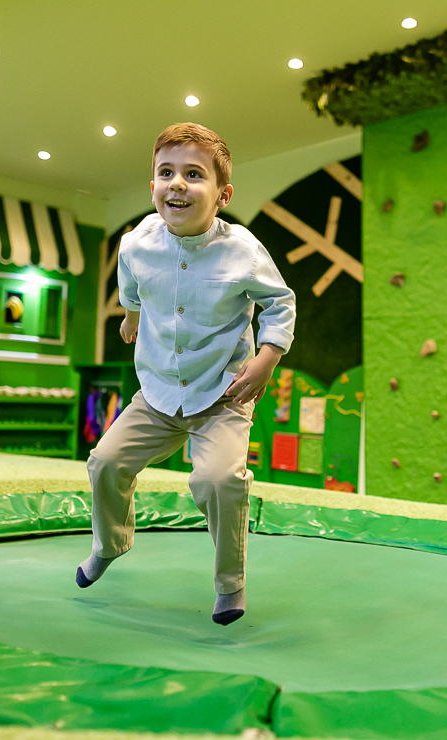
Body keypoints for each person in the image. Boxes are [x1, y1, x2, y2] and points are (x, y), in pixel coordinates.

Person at [77, 123, 296, 625]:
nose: (177, 183)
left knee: (219, 480)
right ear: (152, 186)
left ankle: (230, 583)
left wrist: (267, 357)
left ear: (222, 195)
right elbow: (129, 280)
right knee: (105, 461)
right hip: (157, 389)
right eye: (166, 173)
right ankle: (109, 545)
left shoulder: (242, 249)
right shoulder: (136, 243)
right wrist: (131, 313)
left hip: (223, 390)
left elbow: (280, 304)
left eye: (194, 175)